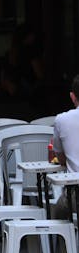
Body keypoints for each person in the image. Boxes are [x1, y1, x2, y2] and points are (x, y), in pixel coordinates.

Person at [51, 74, 79, 219]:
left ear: (72, 96)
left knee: (58, 212)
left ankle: (66, 241)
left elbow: (61, 158)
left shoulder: (62, 120)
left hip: (76, 194)